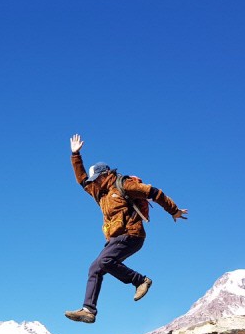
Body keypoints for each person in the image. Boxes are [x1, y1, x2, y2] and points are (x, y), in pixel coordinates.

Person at [65, 134, 188, 324]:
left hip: (132, 235)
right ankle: (89, 310)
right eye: (93, 180)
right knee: (95, 268)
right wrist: (75, 155)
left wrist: (173, 210)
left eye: (97, 178)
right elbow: (81, 180)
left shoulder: (123, 184)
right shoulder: (98, 192)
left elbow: (153, 192)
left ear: (106, 174)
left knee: (105, 260)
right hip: (114, 238)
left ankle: (140, 281)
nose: (94, 182)